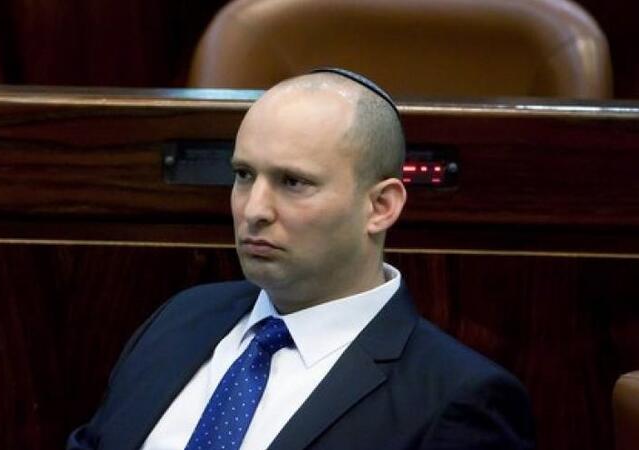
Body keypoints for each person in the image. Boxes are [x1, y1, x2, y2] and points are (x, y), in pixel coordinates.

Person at [68, 69, 535, 450]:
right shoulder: (179, 320)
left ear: (381, 207)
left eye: (293, 182)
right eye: (244, 175)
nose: (254, 210)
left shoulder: (457, 399)